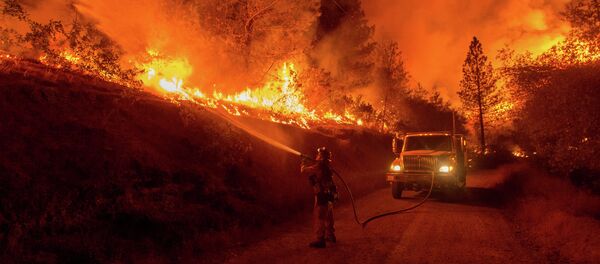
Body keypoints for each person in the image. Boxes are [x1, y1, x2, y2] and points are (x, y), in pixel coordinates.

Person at [301, 147, 338, 248]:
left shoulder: (319, 166)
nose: (317, 156)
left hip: (321, 196)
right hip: (329, 195)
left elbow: (304, 171)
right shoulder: (327, 166)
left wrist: (303, 162)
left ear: (321, 157)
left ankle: (320, 239)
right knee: (329, 216)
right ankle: (330, 235)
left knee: (320, 217)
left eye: (318, 154)